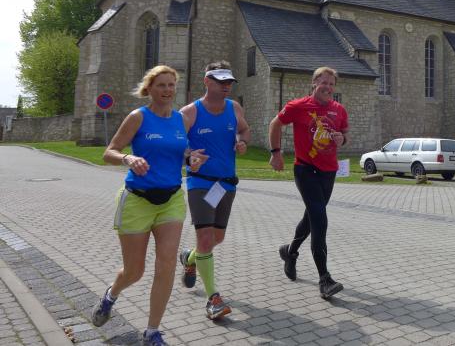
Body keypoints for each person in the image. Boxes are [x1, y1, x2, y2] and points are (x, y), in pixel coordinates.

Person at [91, 65, 208, 346]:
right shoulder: (138, 117)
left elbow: (180, 152)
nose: (167, 90)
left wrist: (191, 159)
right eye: (161, 85)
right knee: (134, 271)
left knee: (166, 266)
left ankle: (152, 332)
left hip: (171, 200)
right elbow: (109, 152)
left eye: (171, 85)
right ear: (149, 89)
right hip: (137, 200)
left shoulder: (181, 120)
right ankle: (110, 296)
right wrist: (128, 158)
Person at [178, 61, 251, 320]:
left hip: (225, 184)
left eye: (229, 81)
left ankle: (189, 259)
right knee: (206, 239)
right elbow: (175, 143)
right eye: (221, 81)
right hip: (200, 182)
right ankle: (213, 300)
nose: (226, 86)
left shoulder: (234, 108)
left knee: (216, 239)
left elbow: (244, 130)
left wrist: (242, 142)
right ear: (207, 81)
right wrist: (189, 156)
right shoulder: (190, 112)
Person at [269, 66, 348, 300]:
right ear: (314, 83)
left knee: (311, 218)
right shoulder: (298, 106)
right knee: (320, 220)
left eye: (331, 84)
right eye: (324, 82)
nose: (328, 87)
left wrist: (342, 138)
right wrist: (276, 153)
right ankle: (325, 279)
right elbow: (275, 124)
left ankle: (290, 252)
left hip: (328, 172)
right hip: (305, 169)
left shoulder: (339, 109)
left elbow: (345, 133)